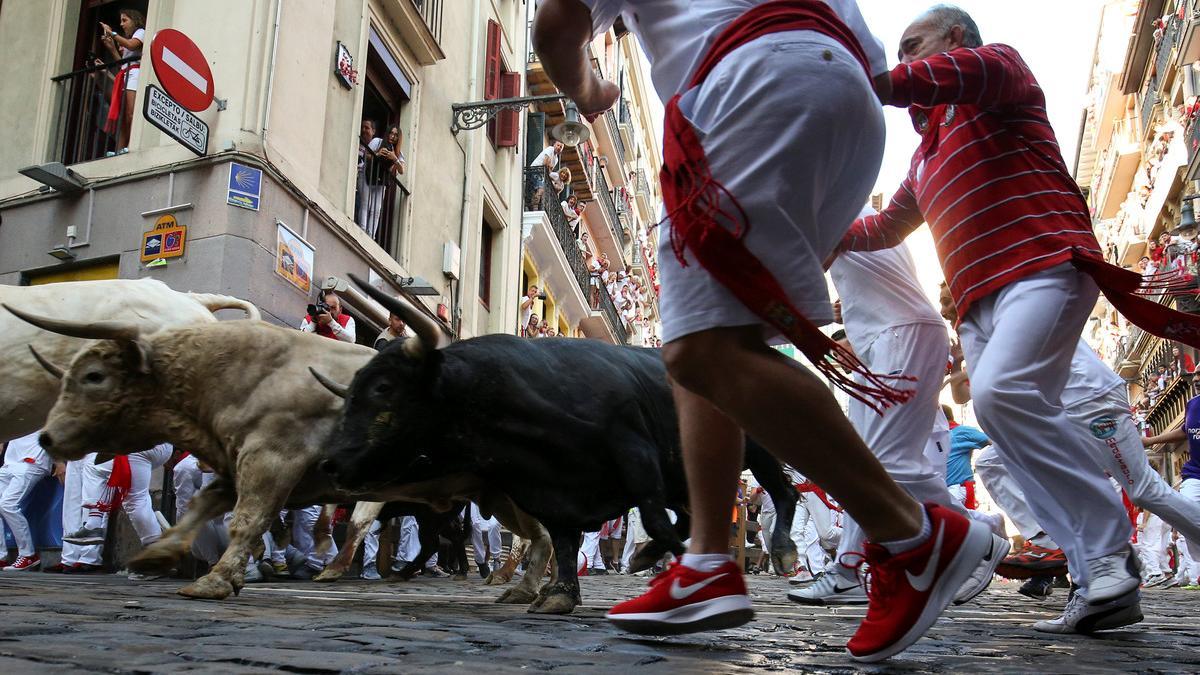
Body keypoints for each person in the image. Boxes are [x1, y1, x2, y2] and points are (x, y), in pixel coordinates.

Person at [534, 1, 992, 660]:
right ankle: (706, 563)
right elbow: (874, 63)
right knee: (705, 335)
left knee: (706, 349)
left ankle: (915, 533)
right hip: (848, 107)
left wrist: (592, 89)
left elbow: (555, 27)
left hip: (749, 85)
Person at [834, 5, 1190, 634]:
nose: (905, 58)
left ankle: (1108, 551)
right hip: (978, 305)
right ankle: (1099, 580)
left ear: (954, 38)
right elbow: (884, 228)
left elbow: (948, 76)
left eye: (914, 45)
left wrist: (857, 80)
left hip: (1044, 268)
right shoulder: (922, 161)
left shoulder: (1001, 72)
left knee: (1001, 395)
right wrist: (816, 233)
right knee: (1007, 432)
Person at [793, 235, 1007, 606]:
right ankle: (849, 568)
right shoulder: (832, 206)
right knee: (862, 463)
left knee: (887, 464)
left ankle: (978, 536)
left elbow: (797, 279)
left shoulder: (832, 205)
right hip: (879, 342)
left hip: (900, 336)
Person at [0, 433, 54, 571]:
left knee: (7, 504)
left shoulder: (42, 412)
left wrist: (58, 461)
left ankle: (28, 555)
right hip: (10, 462)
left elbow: (53, 433)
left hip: (33, 461)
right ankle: (1, 556)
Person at [97, 9, 145, 154]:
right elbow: (123, 64)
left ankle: (131, 146)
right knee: (124, 117)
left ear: (134, 20)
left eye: (125, 20)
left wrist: (112, 33)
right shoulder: (129, 38)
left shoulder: (141, 32)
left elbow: (131, 45)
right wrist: (112, 48)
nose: (121, 24)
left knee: (130, 113)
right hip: (127, 74)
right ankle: (119, 151)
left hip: (134, 74)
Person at [942, 406, 989, 509]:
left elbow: (993, 441)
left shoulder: (961, 432)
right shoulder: (936, 436)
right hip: (946, 490)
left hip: (957, 488)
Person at [356, 120, 387, 239]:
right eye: (362, 127)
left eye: (367, 128)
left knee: (372, 207)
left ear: (373, 131)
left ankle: (369, 236)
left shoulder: (377, 145)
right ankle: (363, 231)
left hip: (367, 181)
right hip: (359, 183)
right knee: (364, 205)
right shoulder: (357, 145)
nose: (364, 130)